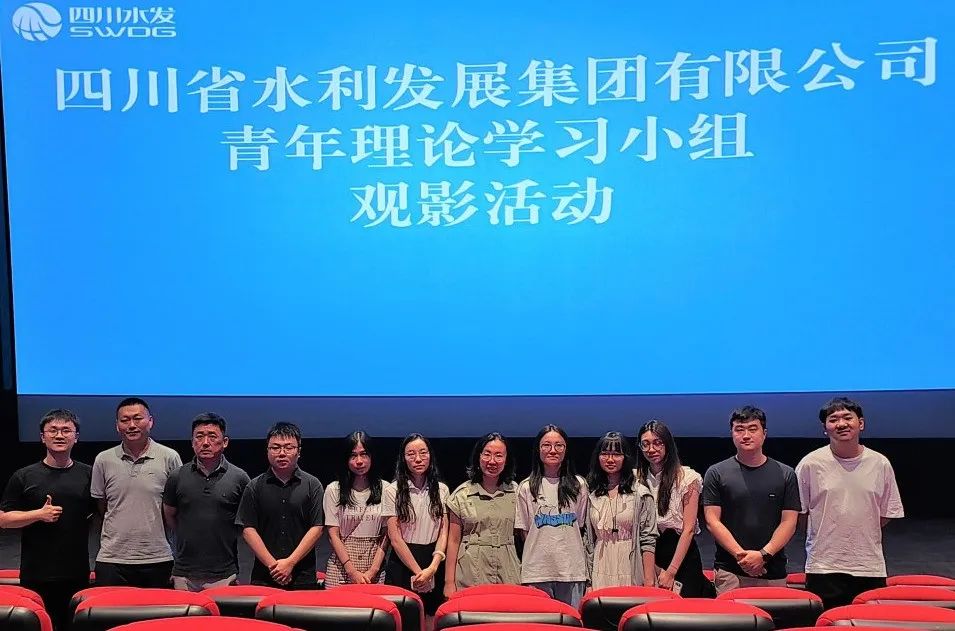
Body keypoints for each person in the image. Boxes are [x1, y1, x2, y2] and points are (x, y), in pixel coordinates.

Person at [795, 397, 904, 609]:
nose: (841, 424)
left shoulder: (880, 463)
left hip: (869, 566)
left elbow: (885, 513)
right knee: (827, 620)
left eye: (847, 417)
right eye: (833, 419)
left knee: (867, 621)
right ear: (825, 428)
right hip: (823, 566)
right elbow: (800, 512)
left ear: (860, 423)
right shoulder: (810, 464)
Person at [0, 409, 92, 631]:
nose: (59, 435)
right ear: (43, 437)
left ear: (76, 437)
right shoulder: (24, 476)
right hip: (37, 573)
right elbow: (4, 519)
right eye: (53, 430)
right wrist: (38, 514)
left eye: (66, 430)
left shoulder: (89, 474)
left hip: (78, 571)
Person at [703, 406, 800, 594]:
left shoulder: (786, 473)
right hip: (730, 571)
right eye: (739, 429)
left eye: (753, 429)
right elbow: (712, 521)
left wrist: (763, 555)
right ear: (732, 434)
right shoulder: (716, 473)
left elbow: (789, 522)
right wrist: (743, 558)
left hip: (773, 570)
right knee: (730, 614)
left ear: (764, 433)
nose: (746, 435)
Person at [91, 397, 182, 587]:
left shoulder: (169, 457)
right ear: (117, 426)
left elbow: (176, 506)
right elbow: (102, 506)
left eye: (138, 418)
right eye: (125, 420)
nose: (131, 425)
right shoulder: (103, 459)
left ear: (150, 421)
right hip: (112, 558)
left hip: (158, 557)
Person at [162, 413, 250, 591]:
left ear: (225, 442)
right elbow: (170, 516)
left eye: (212, 436)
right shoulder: (177, 476)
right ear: (192, 441)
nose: (205, 443)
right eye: (199, 436)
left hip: (224, 573)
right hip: (184, 573)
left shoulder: (239, 477)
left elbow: (246, 524)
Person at [237, 422, 324, 589]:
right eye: (275, 448)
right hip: (264, 576)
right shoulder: (254, 486)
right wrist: (274, 567)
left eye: (288, 447)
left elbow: (317, 528)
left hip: (303, 576)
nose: (282, 453)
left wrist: (290, 563)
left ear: (299, 451)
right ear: (267, 451)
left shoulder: (312, 485)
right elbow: (248, 529)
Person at [635, 420, 711, 597]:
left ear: (668, 444)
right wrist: (654, 568)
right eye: (645, 444)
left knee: (685, 608)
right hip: (648, 552)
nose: (651, 449)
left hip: (681, 555)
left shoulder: (688, 478)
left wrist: (670, 572)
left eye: (657, 443)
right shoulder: (634, 479)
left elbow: (688, 529)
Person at [515, 424, 588, 607]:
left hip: (571, 571)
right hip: (537, 572)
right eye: (546, 445)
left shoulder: (579, 485)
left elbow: (579, 526)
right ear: (538, 450)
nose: (553, 450)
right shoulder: (526, 487)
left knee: (571, 620)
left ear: (566, 449)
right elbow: (525, 532)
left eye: (559, 445)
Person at [383, 433, 449, 628]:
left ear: (430, 455)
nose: (418, 459)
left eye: (423, 453)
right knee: (403, 620)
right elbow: (395, 538)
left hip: (433, 560)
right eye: (411, 454)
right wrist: (420, 573)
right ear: (403, 459)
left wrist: (433, 568)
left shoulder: (442, 489)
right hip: (403, 562)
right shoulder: (392, 490)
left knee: (431, 618)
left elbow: (443, 531)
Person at [445, 432, 520, 597]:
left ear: (506, 459)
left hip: (508, 569)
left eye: (499, 455)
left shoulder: (517, 492)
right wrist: (449, 583)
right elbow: (453, 541)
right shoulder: (461, 494)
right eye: (487, 454)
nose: (492, 461)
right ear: (478, 457)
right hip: (471, 570)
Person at [584, 431, 657, 589]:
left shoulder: (640, 493)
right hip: (600, 563)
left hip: (630, 563)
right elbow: (588, 541)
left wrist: (649, 581)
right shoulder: (591, 493)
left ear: (626, 458)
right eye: (605, 454)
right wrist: (588, 580)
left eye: (617, 454)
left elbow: (648, 539)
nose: (610, 459)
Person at [323, 430, 389, 588]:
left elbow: (387, 535)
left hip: (374, 568)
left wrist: (373, 570)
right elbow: (333, 535)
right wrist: (351, 571)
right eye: (353, 456)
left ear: (372, 456)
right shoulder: (334, 489)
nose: (359, 461)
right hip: (340, 569)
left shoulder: (386, 489)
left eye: (364, 454)